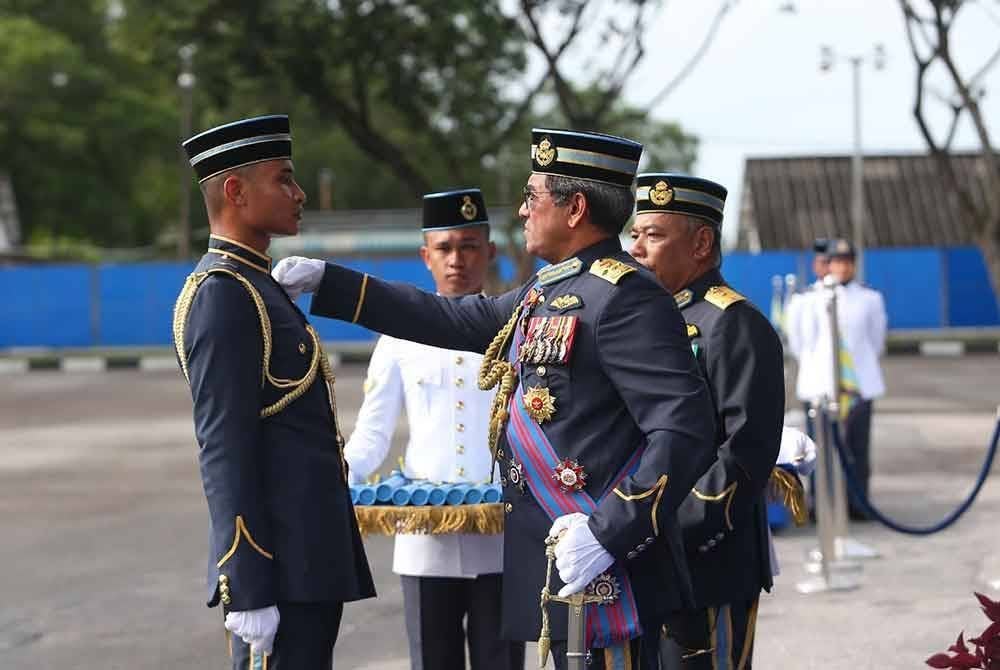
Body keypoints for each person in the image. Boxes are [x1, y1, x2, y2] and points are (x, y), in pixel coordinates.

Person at [274, 128, 717, 669]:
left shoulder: (626, 298)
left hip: (613, 567)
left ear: (575, 208)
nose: (523, 211)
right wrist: (332, 284)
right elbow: (449, 316)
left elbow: (685, 428)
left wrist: (610, 532)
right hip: (571, 568)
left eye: (533, 197)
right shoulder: (545, 290)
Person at [172, 114, 375, 669]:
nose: (299, 192)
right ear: (235, 191)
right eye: (283, 179)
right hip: (277, 568)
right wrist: (246, 581)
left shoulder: (259, 286)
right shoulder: (224, 295)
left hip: (307, 560)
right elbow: (223, 446)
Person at [344, 188, 524, 670]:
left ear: (489, 252)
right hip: (425, 533)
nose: (457, 259)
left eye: (469, 246)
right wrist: (336, 473)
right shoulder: (399, 337)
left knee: (500, 663)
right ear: (426, 256)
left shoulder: (517, 330)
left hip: (503, 532)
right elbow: (373, 434)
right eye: (444, 248)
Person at [628, 174, 785, 669]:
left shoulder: (732, 323)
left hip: (704, 563)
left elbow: (745, 450)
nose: (636, 249)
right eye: (634, 234)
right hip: (638, 557)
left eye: (653, 235)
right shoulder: (641, 319)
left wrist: (667, 533)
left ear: (701, 243)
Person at [795, 239, 887, 520]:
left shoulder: (870, 299)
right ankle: (820, 504)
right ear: (828, 264)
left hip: (857, 385)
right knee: (818, 451)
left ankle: (858, 503)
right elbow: (801, 343)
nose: (843, 267)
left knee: (857, 449)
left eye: (848, 262)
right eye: (838, 262)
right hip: (820, 387)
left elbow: (876, 339)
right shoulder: (808, 299)